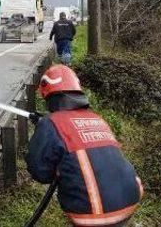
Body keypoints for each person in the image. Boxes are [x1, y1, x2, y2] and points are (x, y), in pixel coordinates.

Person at [26, 65, 143, 227]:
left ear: (50, 97)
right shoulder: (97, 119)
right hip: (131, 199)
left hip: (96, 212)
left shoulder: (51, 123)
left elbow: (40, 173)